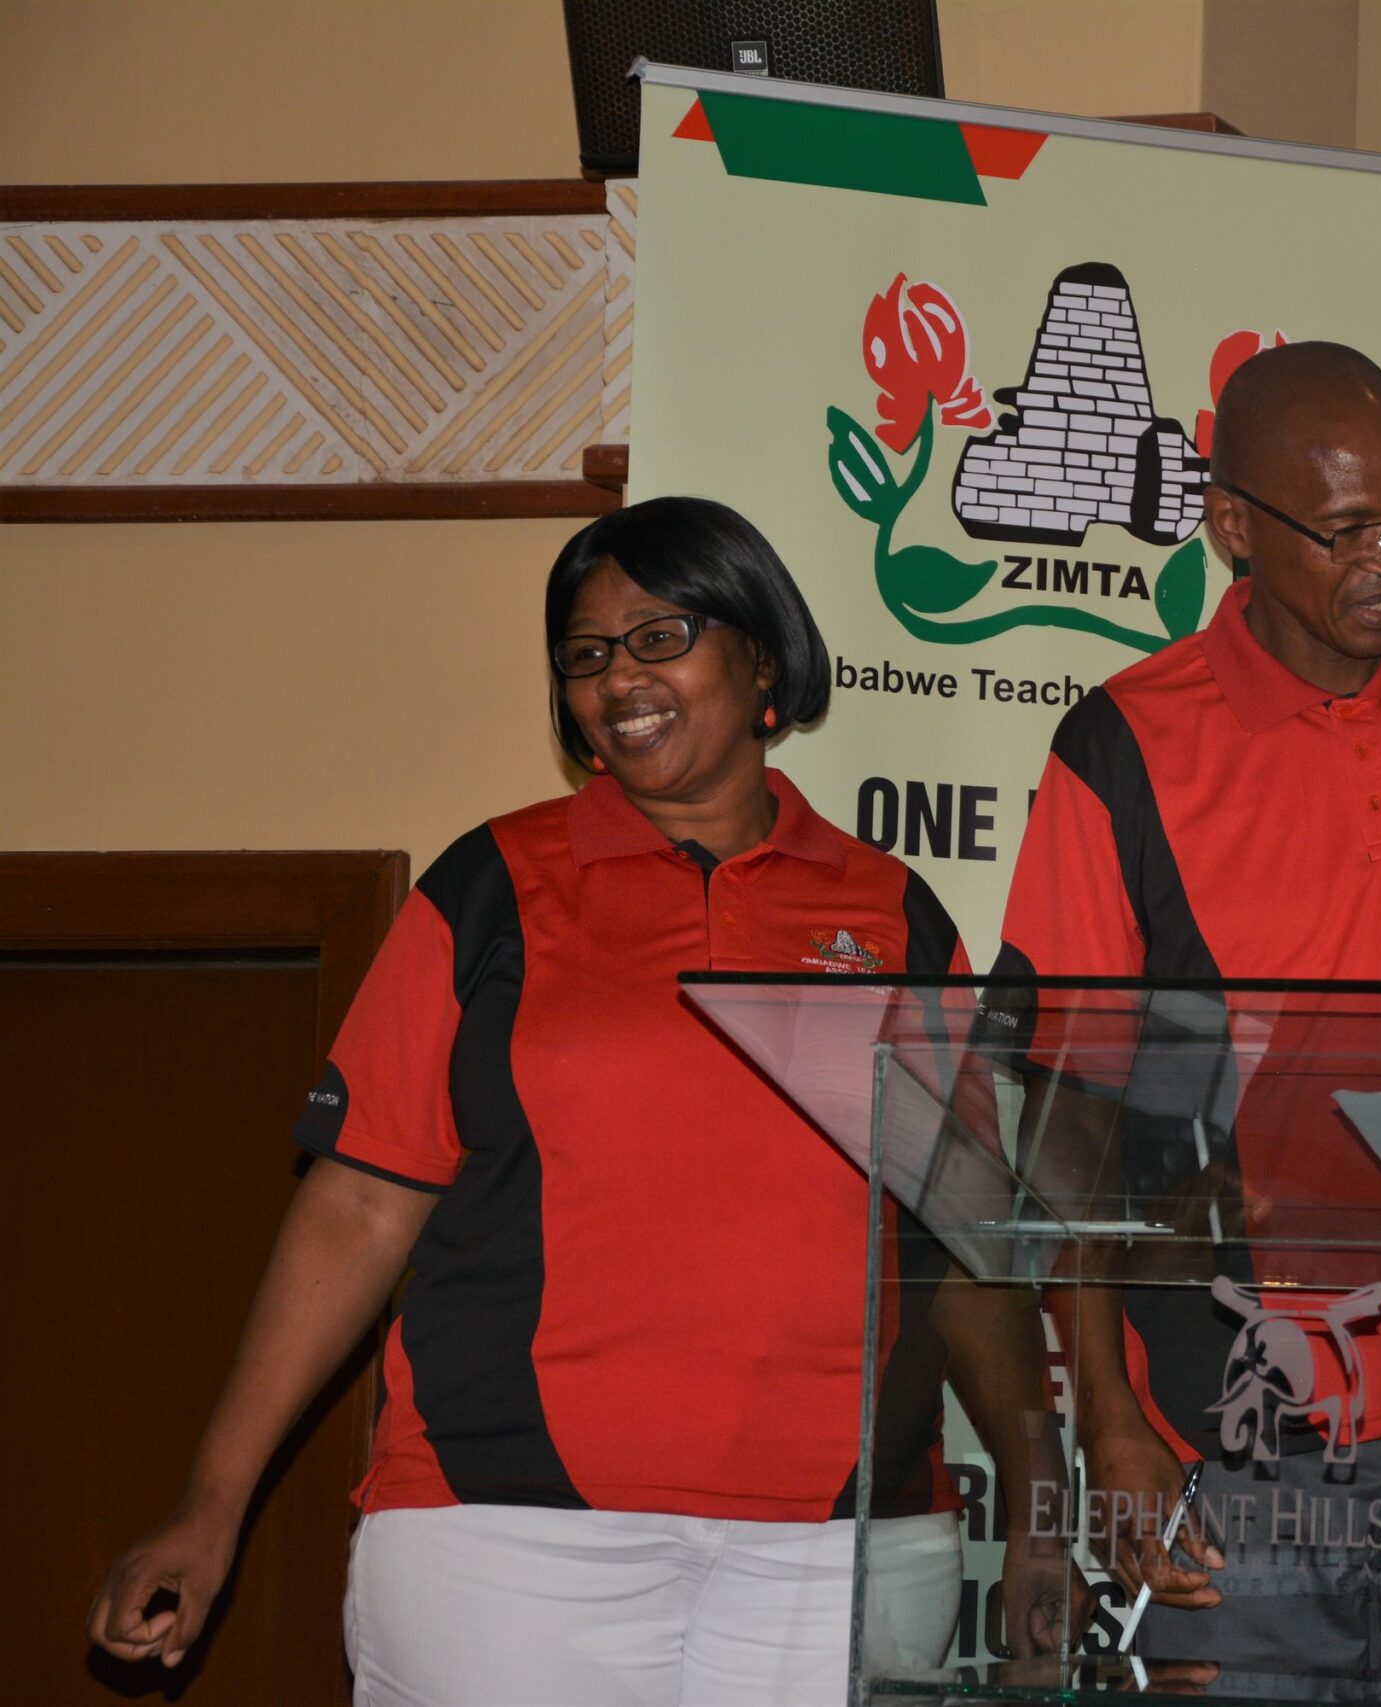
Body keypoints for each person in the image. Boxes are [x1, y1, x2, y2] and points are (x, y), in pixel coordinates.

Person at [87, 497, 1068, 1705]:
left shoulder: (893, 911)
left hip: (842, 1545)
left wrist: (1041, 1512)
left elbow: (963, 1243)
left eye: (660, 637)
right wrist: (213, 1502)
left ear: (763, 655)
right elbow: (357, 1210)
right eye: (587, 655)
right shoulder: (490, 888)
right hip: (505, 1536)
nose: (619, 680)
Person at [989, 341, 1381, 1689]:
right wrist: (1106, 1415)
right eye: (1347, 531)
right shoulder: (1122, 745)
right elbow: (1068, 1121)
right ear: (1233, 524)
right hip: (1236, 1419)